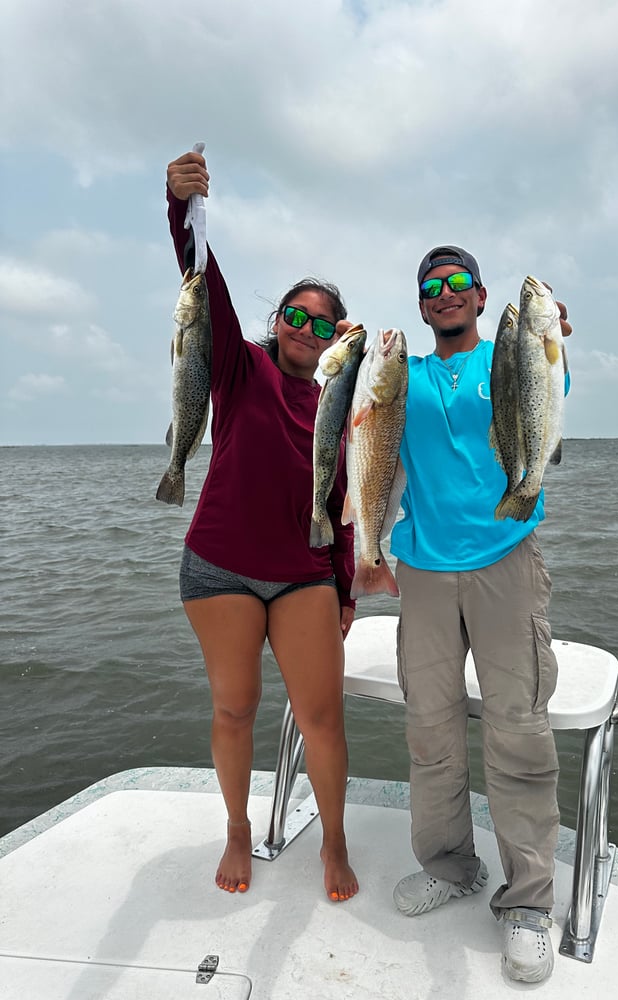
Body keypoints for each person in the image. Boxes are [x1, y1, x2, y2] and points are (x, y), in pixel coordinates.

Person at [164, 149, 359, 903]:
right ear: (276, 320)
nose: (310, 327)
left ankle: (334, 843)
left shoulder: (339, 407)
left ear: (341, 339)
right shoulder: (239, 367)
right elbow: (201, 283)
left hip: (305, 571)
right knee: (235, 705)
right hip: (219, 566)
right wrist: (180, 206)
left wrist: (346, 590)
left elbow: (342, 505)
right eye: (298, 315)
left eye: (326, 322)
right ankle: (239, 829)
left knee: (322, 718)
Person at [389, 246, 572, 983]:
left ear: (481, 293)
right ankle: (449, 863)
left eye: (459, 282)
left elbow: (547, 391)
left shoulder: (515, 352)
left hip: (507, 556)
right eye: (433, 286)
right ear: (422, 303)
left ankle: (527, 902)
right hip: (424, 569)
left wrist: (551, 336)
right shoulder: (404, 377)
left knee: (518, 728)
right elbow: (363, 433)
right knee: (429, 730)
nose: (446, 293)